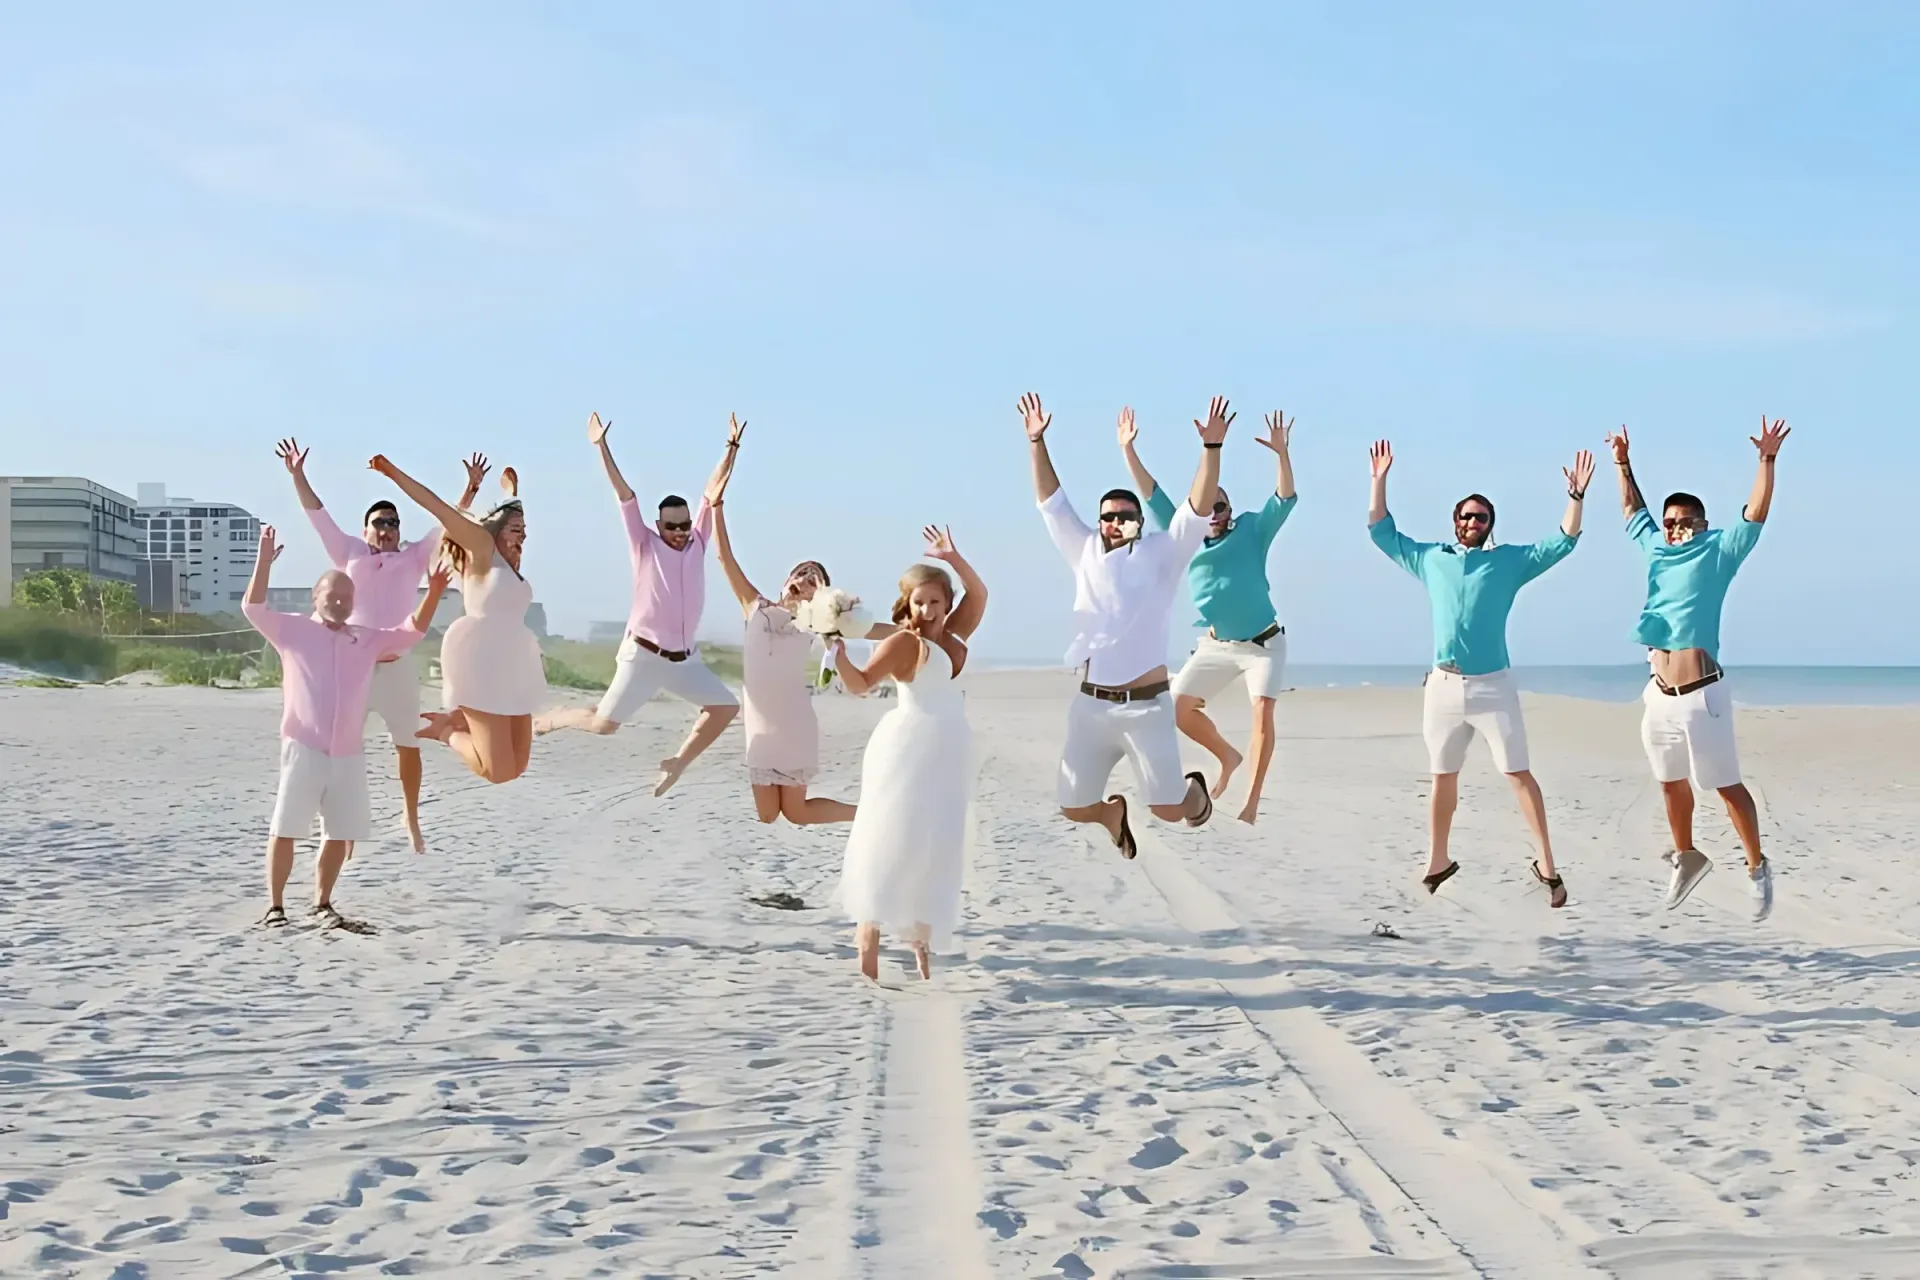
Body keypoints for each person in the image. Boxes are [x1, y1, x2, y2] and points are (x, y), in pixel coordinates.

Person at [1367, 439, 1594, 909]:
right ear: (1455, 521)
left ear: (1491, 526)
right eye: (1466, 516)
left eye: (1481, 518)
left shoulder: (1508, 561)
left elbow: (1564, 542)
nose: (1473, 523)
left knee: (1518, 774)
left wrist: (1575, 499)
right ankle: (1437, 860)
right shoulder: (1432, 559)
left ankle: (1548, 866)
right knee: (1442, 776)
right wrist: (1379, 480)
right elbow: (1380, 531)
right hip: (1443, 688)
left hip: (1494, 687)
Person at [1027, 392, 1222, 860]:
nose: (1116, 522)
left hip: (1145, 708)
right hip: (1091, 706)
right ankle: (1112, 816)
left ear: (1139, 521)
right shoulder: (1084, 550)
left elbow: (1195, 510)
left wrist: (1210, 450)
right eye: (1108, 516)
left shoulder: (1163, 554)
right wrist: (1036, 441)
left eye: (1126, 516)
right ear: (1100, 522)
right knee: (1073, 806)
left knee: (1169, 810)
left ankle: (1194, 792)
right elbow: (1052, 503)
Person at [1607, 418, 1789, 921]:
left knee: (1724, 784)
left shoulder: (1719, 552)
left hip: (1702, 692)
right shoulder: (1655, 546)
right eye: (1671, 522)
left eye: (1686, 521)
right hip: (1658, 693)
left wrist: (1766, 461)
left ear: (1703, 524)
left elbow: (1755, 514)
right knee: (1669, 781)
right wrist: (1622, 461)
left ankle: (1756, 866)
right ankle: (1687, 858)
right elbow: (1631, 509)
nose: (1676, 528)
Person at [274, 438, 487, 853]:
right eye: (380, 523)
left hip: (398, 666)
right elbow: (317, 514)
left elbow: (449, 523)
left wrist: (471, 490)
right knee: (339, 748)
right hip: (352, 667)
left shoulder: (413, 557)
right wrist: (297, 474)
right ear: (366, 529)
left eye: (393, 523)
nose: (388, 529)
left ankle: (411, 819)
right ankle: (339, 831)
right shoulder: (349, 551)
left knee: (407, 746)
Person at [241, 525, 449, 931]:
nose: (339, 601)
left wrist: (435, 591)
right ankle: (276, 907)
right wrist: (264, 561)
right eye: (331, 595)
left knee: (339, 831)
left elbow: (411, 633)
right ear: (315, 598)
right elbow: (254, 608)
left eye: (346, 597)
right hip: (304, 746)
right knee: (286, 827)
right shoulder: (294, 630)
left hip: (348, 751)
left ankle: (322, 903)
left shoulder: (365, 638)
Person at [534, 413, 742, 798]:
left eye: (683, 526)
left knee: (726, 708)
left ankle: (677, 764)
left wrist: (731, 449)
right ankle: (557, 718)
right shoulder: (644, 544)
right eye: (671, 527)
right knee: (603, 726)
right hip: (643, 656)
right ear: (658, 525)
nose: (679, 533)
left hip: (685, 661)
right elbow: (624, 494)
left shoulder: (698, 540)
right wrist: (601, 446)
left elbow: (712, 493)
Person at [704, 420, 897, 824]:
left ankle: (871, 815)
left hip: (793, 725)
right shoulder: (754, 605)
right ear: (787, 578)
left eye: (813, 581)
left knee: (793, 813)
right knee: (767, 815)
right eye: (800, 574)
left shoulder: (819, 622)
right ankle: (872, 813)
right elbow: (724, 557)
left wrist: (913, 630)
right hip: (759, 726)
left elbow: (874, 630)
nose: (803, 582)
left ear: (818, 594)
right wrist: (717, 504)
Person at [1123, 406, 1299, 824]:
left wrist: (1281, 455)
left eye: (1221, 507)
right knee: (1179, 708)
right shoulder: (1184, 531)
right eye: (1209, 507)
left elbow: (1286, 498)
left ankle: (1251, 804)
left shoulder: (1253, 529)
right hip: (1217, 645)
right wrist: (1128, 449)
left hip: (1264, 645)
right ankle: (1227, 756)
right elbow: (1151, 493)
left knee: (1262, 714)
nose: (1214, 513)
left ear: (1230, 510)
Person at [830, 530, 986, 981]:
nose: (928, 611)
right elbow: (860, 686)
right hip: (906, 748)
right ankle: (868, 947)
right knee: (890, 840)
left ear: (945, 602)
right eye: (919, 603)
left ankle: (920, 945)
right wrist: (836, 652)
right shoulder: (904, 643)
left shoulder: (955, 635)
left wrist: (954, 556)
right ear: (907, 604)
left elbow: (979, 593)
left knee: (934, 845)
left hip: (948, 751)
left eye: (935, 602)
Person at [371, 455, 544, 784]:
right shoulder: (482, 548)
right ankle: (447, 732)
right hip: (483, 660)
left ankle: (460, 719)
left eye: (525, 530)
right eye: (516, 530)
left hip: (515, 661)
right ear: (494, 529)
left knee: (517, 766)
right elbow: (436, 506)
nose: (523, 537)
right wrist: (392, 471)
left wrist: (512, 492)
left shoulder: (511, 568)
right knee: (497, 770)